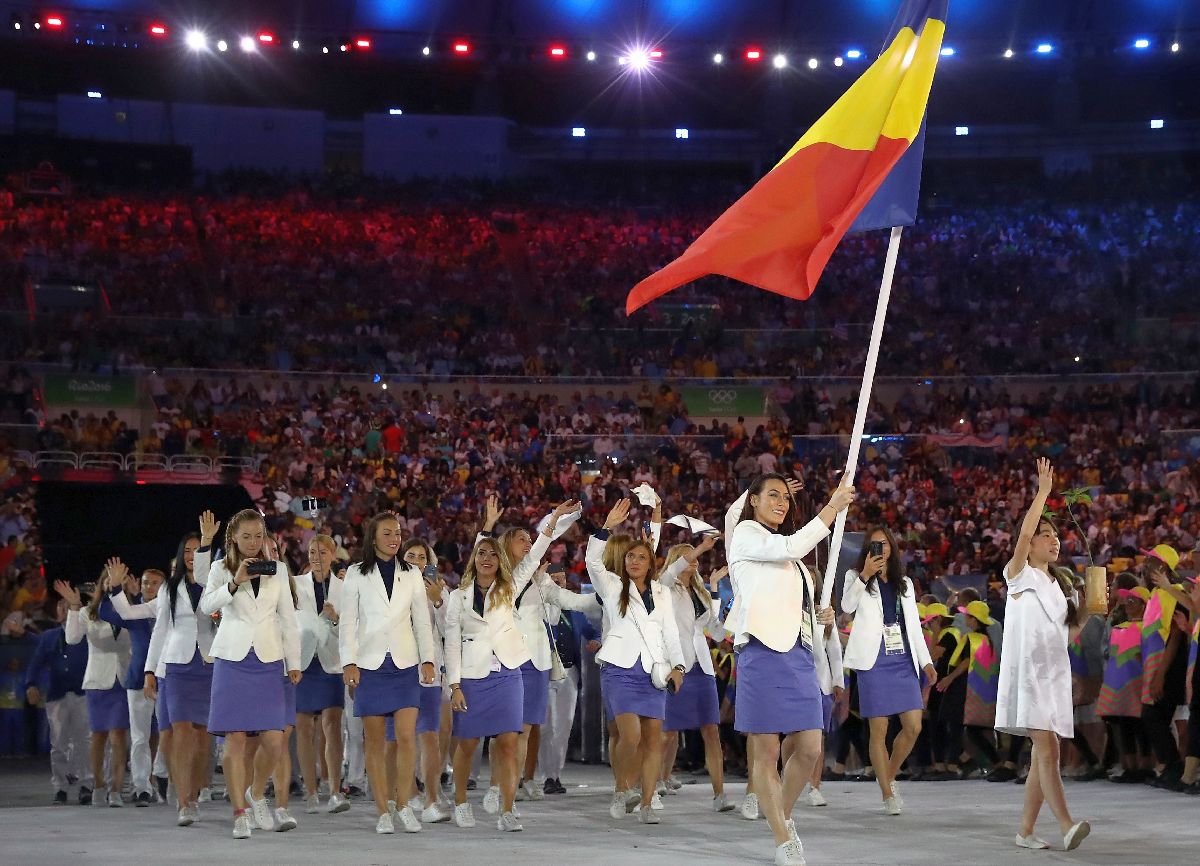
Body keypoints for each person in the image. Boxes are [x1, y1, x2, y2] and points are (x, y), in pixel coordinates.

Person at [724, 473, 854, 866]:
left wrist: (821, 617)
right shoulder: (747, 533)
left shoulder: (791, 558)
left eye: (785, 497)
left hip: (798, 654)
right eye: (773, 496)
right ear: (754, 502)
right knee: (765, 751)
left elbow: (793, 605)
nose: (781, 502)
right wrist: (833, 506)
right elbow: (793, 543)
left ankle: (781, 814)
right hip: (761, 651)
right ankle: (783, 839)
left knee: (811, 748)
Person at [996, 458, 1090, 852]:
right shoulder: (1018, 573)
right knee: (1047, 749)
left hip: (1054, 674)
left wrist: (1088, 608)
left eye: (1056, 536)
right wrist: (1043, 494)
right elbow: (1021, 537)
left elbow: (1066, 633)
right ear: (1030, 541)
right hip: (1029, 674)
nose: (1053, 541)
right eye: (1045, 535)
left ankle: (1025, 830)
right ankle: (1067, 824)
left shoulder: (1059, 583)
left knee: (1045, 753)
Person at [199, 508, 302, 840]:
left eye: (259, 536)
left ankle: (256, 794)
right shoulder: (220, 568)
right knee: (237, 739)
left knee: (274, 740)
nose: (254, 542)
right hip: (233, 659)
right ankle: (239, 814)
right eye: (247, 536)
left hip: (270, 659)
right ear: (233, 538)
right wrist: (234, 582)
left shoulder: (279, 570)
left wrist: (294, 661)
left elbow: (288, 619)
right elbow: (206, 605)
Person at [585, 498, 685, 825]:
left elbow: (671, 633)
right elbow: (593, 562)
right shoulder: (613, 586)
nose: (634, 560)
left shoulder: (661, 593)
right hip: (620, 670)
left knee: (654, 739)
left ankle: (645, 801)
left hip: (654, 672)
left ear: (650, 563)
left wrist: (679, 666)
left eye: (641, 557)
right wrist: (605, 527)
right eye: (630, 556)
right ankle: (621, 788)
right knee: (630, 737)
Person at [339, 512, 438, 835]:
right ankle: (383, 810)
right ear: (373, 537)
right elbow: (348, 622)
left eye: (397, 533)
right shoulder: (355, 573)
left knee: (408, 737)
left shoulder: (411, 574)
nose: (394, 538)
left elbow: (422, 620)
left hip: (405, 664)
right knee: (376, 742)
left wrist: (428, 659)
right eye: (387, 533)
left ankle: (404, 803)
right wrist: (348, 662)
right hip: (369, 665)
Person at [842, 526, 936, 815]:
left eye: (883, 544)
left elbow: (914, 628)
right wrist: (865, 575)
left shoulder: (904, 583)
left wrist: (926, 662)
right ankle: (887, 792)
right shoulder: (854, 576)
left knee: (913, 726)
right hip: (874, 660)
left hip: (903, 657)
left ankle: (889, 775)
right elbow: (846, 605)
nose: (879, 549)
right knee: (878, 730)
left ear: (893, 547)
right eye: (873, 545)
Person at [143, 520, 216, 826]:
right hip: (176, 665)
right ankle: (183, 800)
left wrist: (208, 545)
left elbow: (204, 581)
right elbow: (160, 630)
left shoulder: (214, 583)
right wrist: (150, 670)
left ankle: (196, 793)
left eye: (197, 550)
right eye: (187, 550)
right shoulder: (169, 588)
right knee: (180, 732)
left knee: (202, 738)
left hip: (208, 662)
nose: (191, 554)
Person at [657, 537, 734, 812]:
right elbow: (669, 572)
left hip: (703, 667)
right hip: (677, 666)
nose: (696, 560)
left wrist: (725, 616)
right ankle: (654, 783)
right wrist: (700, 547)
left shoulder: (700, 591)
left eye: (697, 556)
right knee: (667, 733)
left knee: (712, 730)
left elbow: (714, 631)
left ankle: (719, 794)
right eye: (689, 556)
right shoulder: (665, 587)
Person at [60, 573, 132, 808]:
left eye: (117, 581)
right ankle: (98, 786)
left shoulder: (130, 610)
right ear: (102, 584)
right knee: (99, 736)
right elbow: (71, 638)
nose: (112, 585)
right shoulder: (88, 612)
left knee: (119, 736)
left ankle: (116, 790)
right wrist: (73, 605)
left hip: (122, 680)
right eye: (108, 581)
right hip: (97, 681)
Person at [97, 558, 164, 807]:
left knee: (169, 735)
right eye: (146, 582)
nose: (149, 587)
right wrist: (111, 588)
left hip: (168, 680)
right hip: (138, 681)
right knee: (139, 737)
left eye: (155, 583)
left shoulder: (170, 612)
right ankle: (141, 787)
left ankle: (165, 778)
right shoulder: (135, 612)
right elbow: (105, 612)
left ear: (165, 587)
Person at [295, 533, 350, 815]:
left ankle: (335, 791)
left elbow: (352, 629)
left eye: (323, 553)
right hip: (304, 663)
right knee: (304, 728)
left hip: (331, 662)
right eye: (313, 553)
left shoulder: (344, 587)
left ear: (332, 554)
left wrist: (335, 618)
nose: (317, 558)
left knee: (332, 726)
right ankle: (311, 791)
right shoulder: (296, 584)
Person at [401, 537, 453, 823]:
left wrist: (437, 599)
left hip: (428, 669)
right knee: (402, 736)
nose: (417, 562)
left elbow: (448, 629)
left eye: (422, 557)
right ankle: (408, 793)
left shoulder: (439, 590)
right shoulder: (391, 586)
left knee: (430, 735)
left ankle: (431, 799)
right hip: (396, 668)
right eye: (411, 556)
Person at [24, 597, 90, 804]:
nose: (62, 609)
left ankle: (86, 785)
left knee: (84, 742)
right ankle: (60, 787)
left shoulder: (88, 634)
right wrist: (31, 684)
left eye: (66, 606)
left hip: (84, 693)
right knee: (58, 743)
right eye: (59, 605)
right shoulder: (49, 636)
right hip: (57, 695)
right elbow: (36, 662)